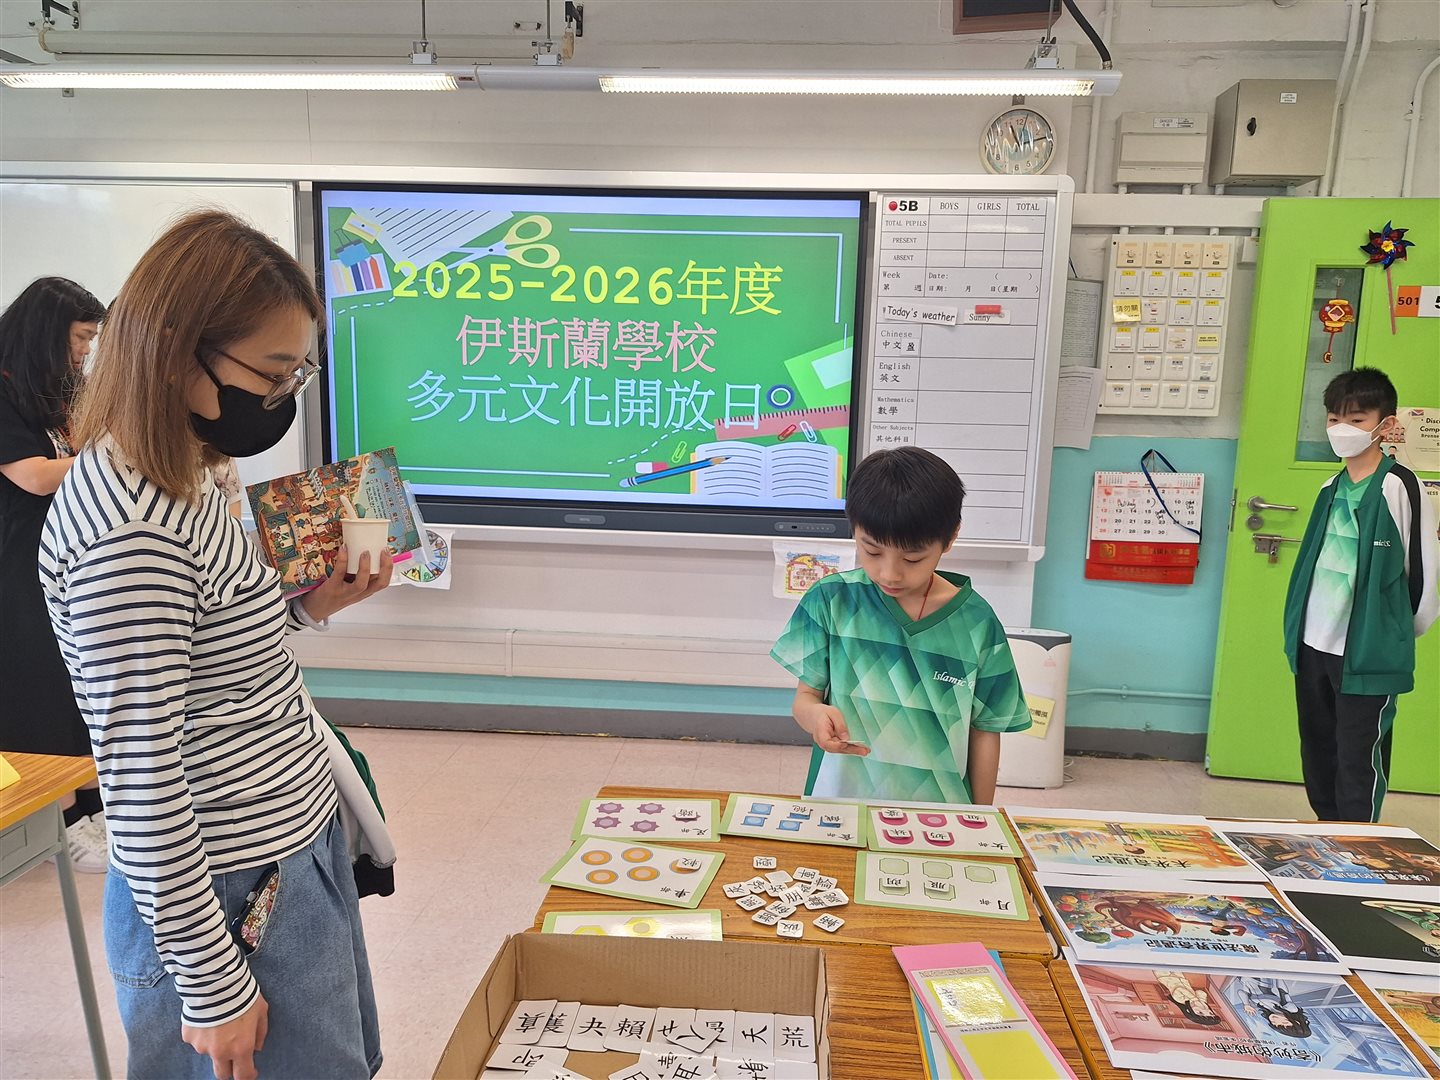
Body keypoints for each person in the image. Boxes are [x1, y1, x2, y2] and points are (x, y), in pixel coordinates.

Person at [40, 210, 392, 1080]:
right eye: (271, 374)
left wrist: (309, 608)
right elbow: (141, 775)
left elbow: (212, 652)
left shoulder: (191, 468)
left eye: (296, 372)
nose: (282, 397)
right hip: (229, 895)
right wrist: (212, 986)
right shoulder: (130, 533)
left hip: (278, 850)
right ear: (174, 350)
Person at [771, 445, 1030, 804]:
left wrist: (979, 819)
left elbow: (985, 731)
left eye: (913, 558)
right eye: (872, 551)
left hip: (939, 811)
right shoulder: (831, 600)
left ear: (951, 537)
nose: (889, 573)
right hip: (840, 802)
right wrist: (816, 716)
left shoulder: (977, 623)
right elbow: (805, 699)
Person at [1283, 367, 1438, 823]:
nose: (1342, 430)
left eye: (1356, 420)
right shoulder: (1329, 488)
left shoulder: (1399, 486)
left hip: (1368, 649)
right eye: (1334, 419)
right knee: (1319, 752)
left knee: (1358, 758)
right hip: (1315, 644)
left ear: (1385, 425)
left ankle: (1355, 843)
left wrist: (1393, 634)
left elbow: (1423, 572)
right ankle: (1326, 833)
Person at [0, 276, 108, 872]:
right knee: (40, 686)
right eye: (80, 337)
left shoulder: (55, 388)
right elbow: (36, 476)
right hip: (17, 562)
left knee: (77, 682)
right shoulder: (3, 389)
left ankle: (93, 808)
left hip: (65, 554)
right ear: (47, 332)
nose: (85, 350)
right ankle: (61, 824)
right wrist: (109, 457)